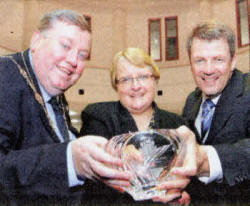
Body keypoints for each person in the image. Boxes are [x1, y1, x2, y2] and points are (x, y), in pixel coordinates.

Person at [0, 10, 131, 205]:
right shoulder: (4, 76)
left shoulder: (56, 96)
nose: (73, 61)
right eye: (65, 46)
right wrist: (69, 161)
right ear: (36, 40)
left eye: (82, 55)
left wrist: (109, 156)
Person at [80, 47, 189, 204]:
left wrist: (185, 195)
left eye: (143, 77)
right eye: (125, 79)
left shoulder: (178, 125)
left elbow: (193, 178)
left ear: (155, 80)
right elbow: (91, 169)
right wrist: (121, 153)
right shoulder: (98, 116)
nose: (136, 86)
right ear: (116, 85)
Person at [157, 22, 250, 205]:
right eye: (200, 60)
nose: (208, 69)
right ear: (190, 63)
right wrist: (185, 193)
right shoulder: (192, 101)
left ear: (233, 61)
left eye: (218, 60)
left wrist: (205, 159)